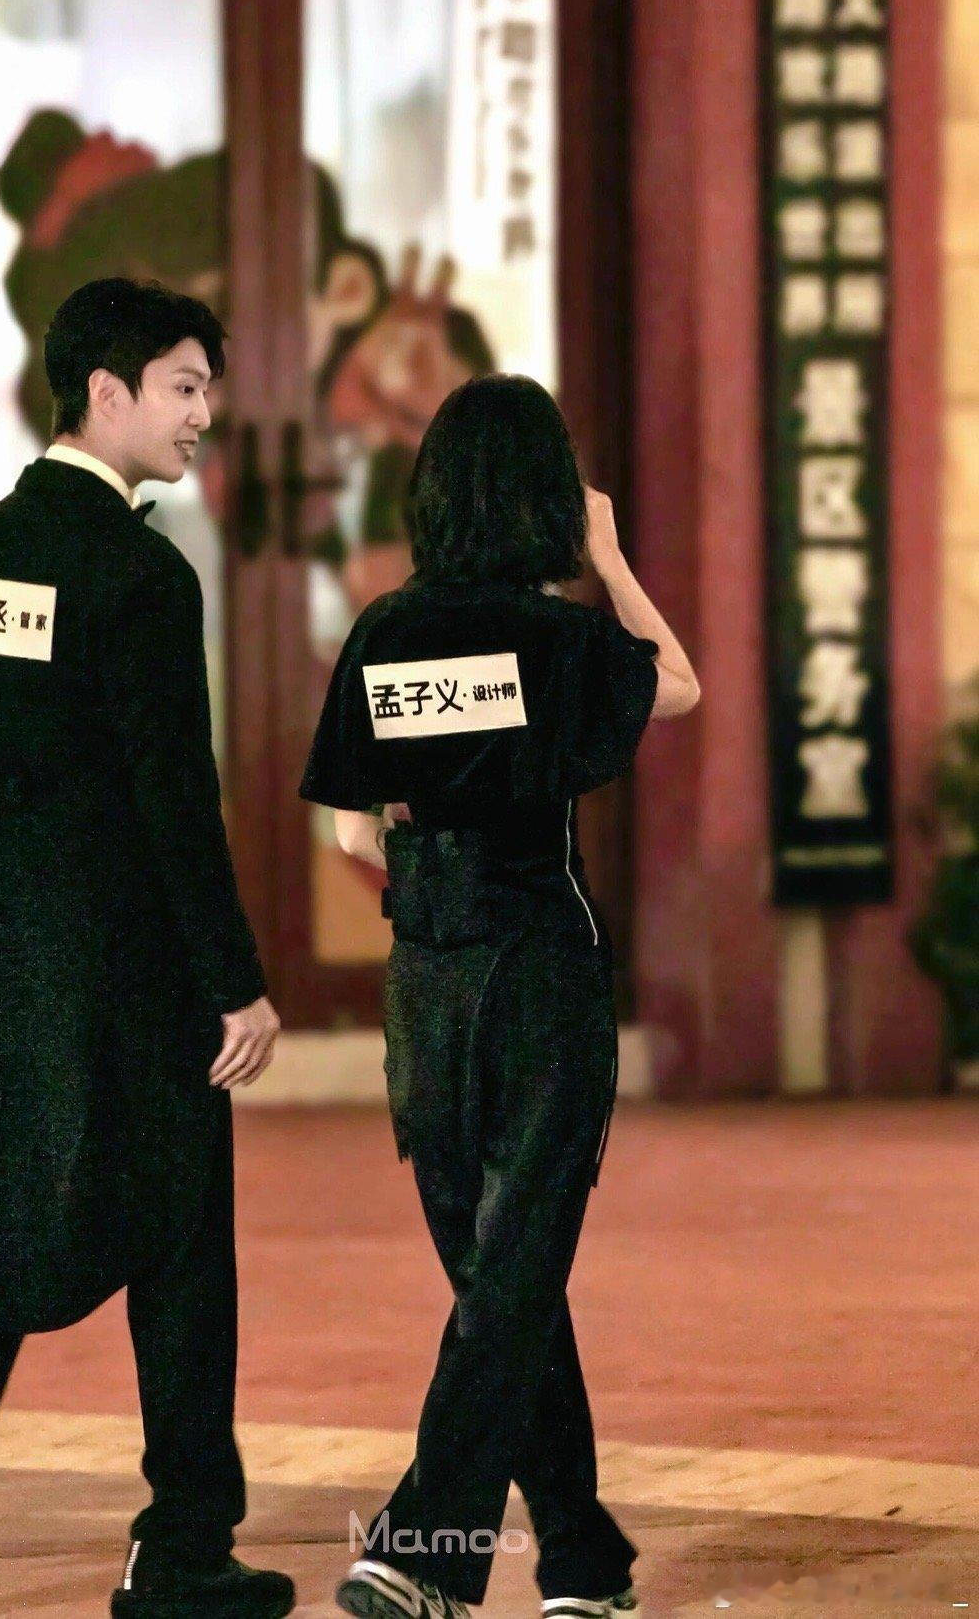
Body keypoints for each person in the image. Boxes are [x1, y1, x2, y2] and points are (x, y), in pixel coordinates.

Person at [0, 278, 291, 1619]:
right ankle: (181, 1545)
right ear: (106, 392)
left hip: (2, 982)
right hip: (133, 995)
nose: (203, 416)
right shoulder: (139, 577)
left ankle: (183, 1534)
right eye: (183, 387)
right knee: (172, 1264)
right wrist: (236, 982)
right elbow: (176, 802)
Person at [299, 375, 700, 1619]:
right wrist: (611, 558)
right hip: (540, 978)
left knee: (499, 1278)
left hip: (425, 985)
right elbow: (676, 684)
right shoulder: (562, 639)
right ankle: (428, 1554)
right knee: (512, 1282)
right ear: (547, 499)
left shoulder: (382, 631)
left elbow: (346, 830)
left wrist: (425, 849)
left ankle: (581, 1566)